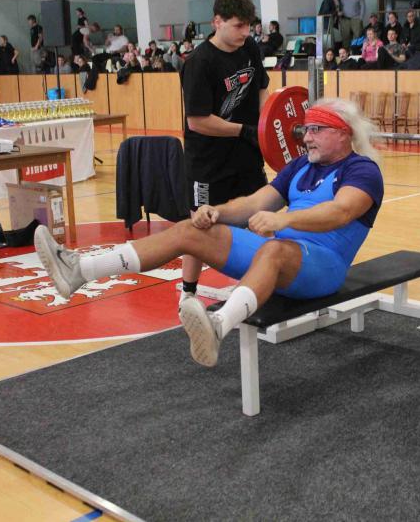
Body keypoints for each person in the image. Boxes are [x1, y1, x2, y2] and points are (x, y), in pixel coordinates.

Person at [33, 97, 384, 368]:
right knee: (190, 230)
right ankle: (79, 270)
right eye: (306, 130)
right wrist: (217, 211)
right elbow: (254, 203)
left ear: (343, 133)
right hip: (280, 253)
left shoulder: (362, 170)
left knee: (273, 250)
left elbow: (341, 212)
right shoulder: (301, 166)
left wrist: (284, 222)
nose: (306, 138)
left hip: (323, 268)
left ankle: (218, 326)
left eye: (316, 130)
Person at [178, 0, 271, 307]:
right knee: (200, 226)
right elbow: (197, 121)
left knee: (260, 218)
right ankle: (188, 293)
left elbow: (261, 87)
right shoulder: (199, 63)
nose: (245, 33)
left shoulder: (250, 47)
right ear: (217, 22)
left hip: (246, 155)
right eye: (238, 26)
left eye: (249, 26)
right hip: (208, 161)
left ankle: (257, 285)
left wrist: (263, 124)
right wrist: (244, 130)